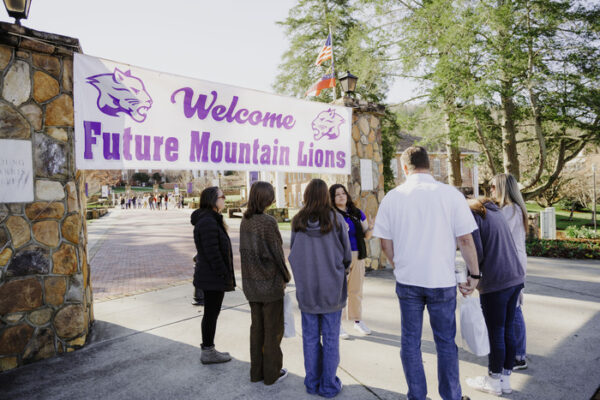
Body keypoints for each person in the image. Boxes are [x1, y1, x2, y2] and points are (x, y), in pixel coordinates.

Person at [373, 146, 479, 400]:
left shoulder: (393, 197)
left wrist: (397, 264)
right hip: (440, 280)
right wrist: (474, 275)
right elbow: (465, 240)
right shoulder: (450, 195)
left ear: (404, 167)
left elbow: (384, 242)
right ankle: (451, 396)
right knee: (445, 342)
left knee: (410, 342)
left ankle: (417, 396)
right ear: (429, 164)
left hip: (408, 279)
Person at [288, 179, 352, 398]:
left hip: (307, 288)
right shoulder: (336, 219)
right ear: (326, 196)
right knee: (331, 337)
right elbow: (346, 255)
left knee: (310, 338)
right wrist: (340, 270)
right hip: (331, 287)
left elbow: (293, 255)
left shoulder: (298, 220)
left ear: (306, 195)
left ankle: (313, 382)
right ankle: (328, 385)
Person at [465, 198, 525, 396]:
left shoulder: (472, 217)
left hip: (496, 281)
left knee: (496, 332)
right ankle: (504, 379)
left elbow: (476, 253)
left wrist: (471, 277)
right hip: (514, 277)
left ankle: (493, 379)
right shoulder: (494, 212)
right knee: (507, 329)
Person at [240, 181, 291, 385]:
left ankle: (256, 372)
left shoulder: (245, 220)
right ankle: (271, 374)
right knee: (272, 331)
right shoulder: (268, 222)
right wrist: (286, 276)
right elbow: (277, 254)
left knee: (257, 329)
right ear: (266, 198)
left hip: (251, 284)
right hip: (269, 284)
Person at [192, 186, 235, 364]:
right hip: (212, 278)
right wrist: (224, 275)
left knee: (211, 313)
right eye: (222, 197)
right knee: (211, 314)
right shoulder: (208, 221)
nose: (224, 199)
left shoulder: (210, 219)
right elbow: (213, 253)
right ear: (213, 200)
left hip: (211, 276)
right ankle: (208, 351)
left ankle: (208, 349)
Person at [490, 173, 529, 370]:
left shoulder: (510, 210)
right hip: (515, 262)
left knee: (514, 310)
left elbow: (497, 233)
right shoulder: (514, 209)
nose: (490, 191)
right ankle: (515, 353)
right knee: (513, 309)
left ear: (503, 188)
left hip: (512, 263)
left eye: (493, 187)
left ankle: (519, 356)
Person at [329, 183, 374, 339]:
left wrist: (371, 228)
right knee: (340, 292)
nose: (341, 196)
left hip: (357, 255)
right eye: (337, 194)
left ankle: (357, 320)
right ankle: (338, 324)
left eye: (343, 193)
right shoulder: (331, 215)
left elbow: (366, 235)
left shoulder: (357, 213)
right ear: (332, 198)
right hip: (340, 257)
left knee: (356, 290)